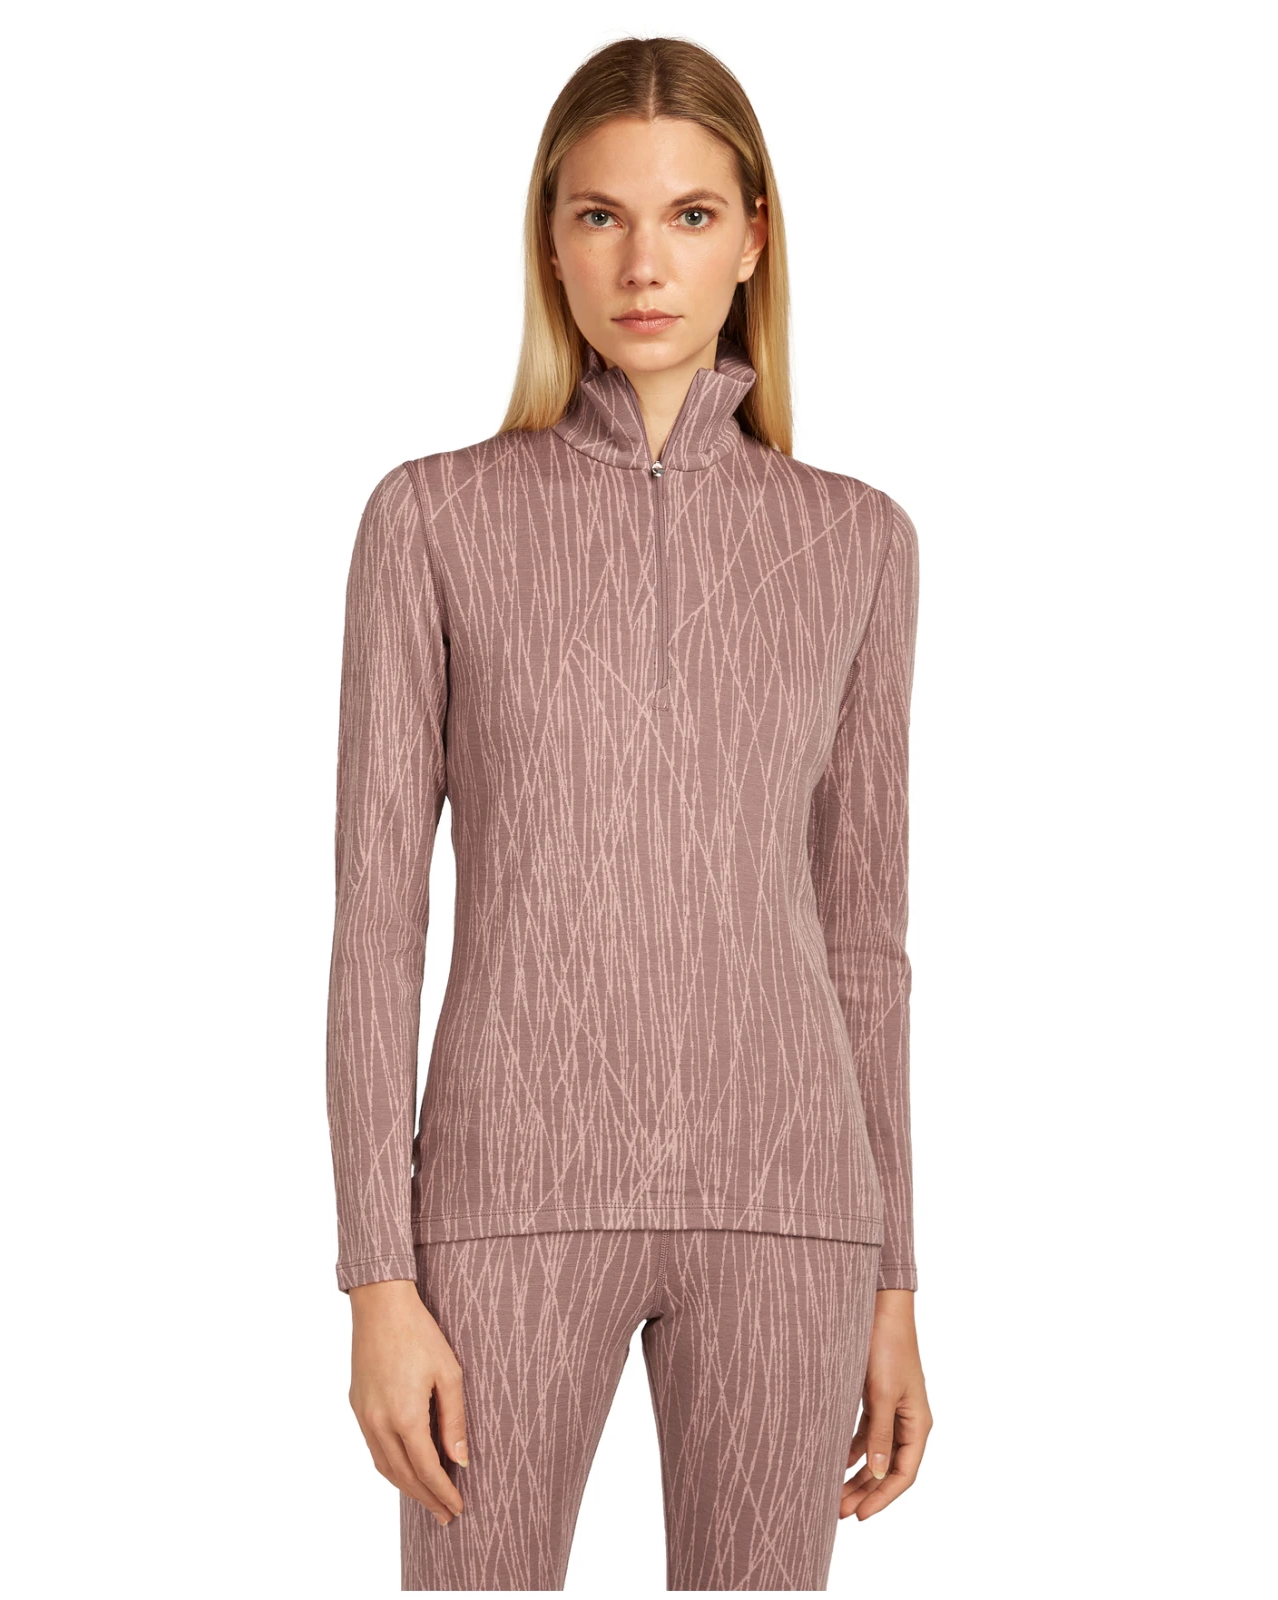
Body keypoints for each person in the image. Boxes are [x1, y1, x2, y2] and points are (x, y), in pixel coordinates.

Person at [326, 34, 931, 1592]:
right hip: (506, 1201)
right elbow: (378, 921)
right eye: (600, 215)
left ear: (754, 238)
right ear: (551, 239)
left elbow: (864, 941)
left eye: (688, 215)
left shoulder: (858, 542)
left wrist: (894, 1283)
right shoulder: (432, 517)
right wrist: (376, 1275)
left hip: (791, 1204)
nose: (643, 263)